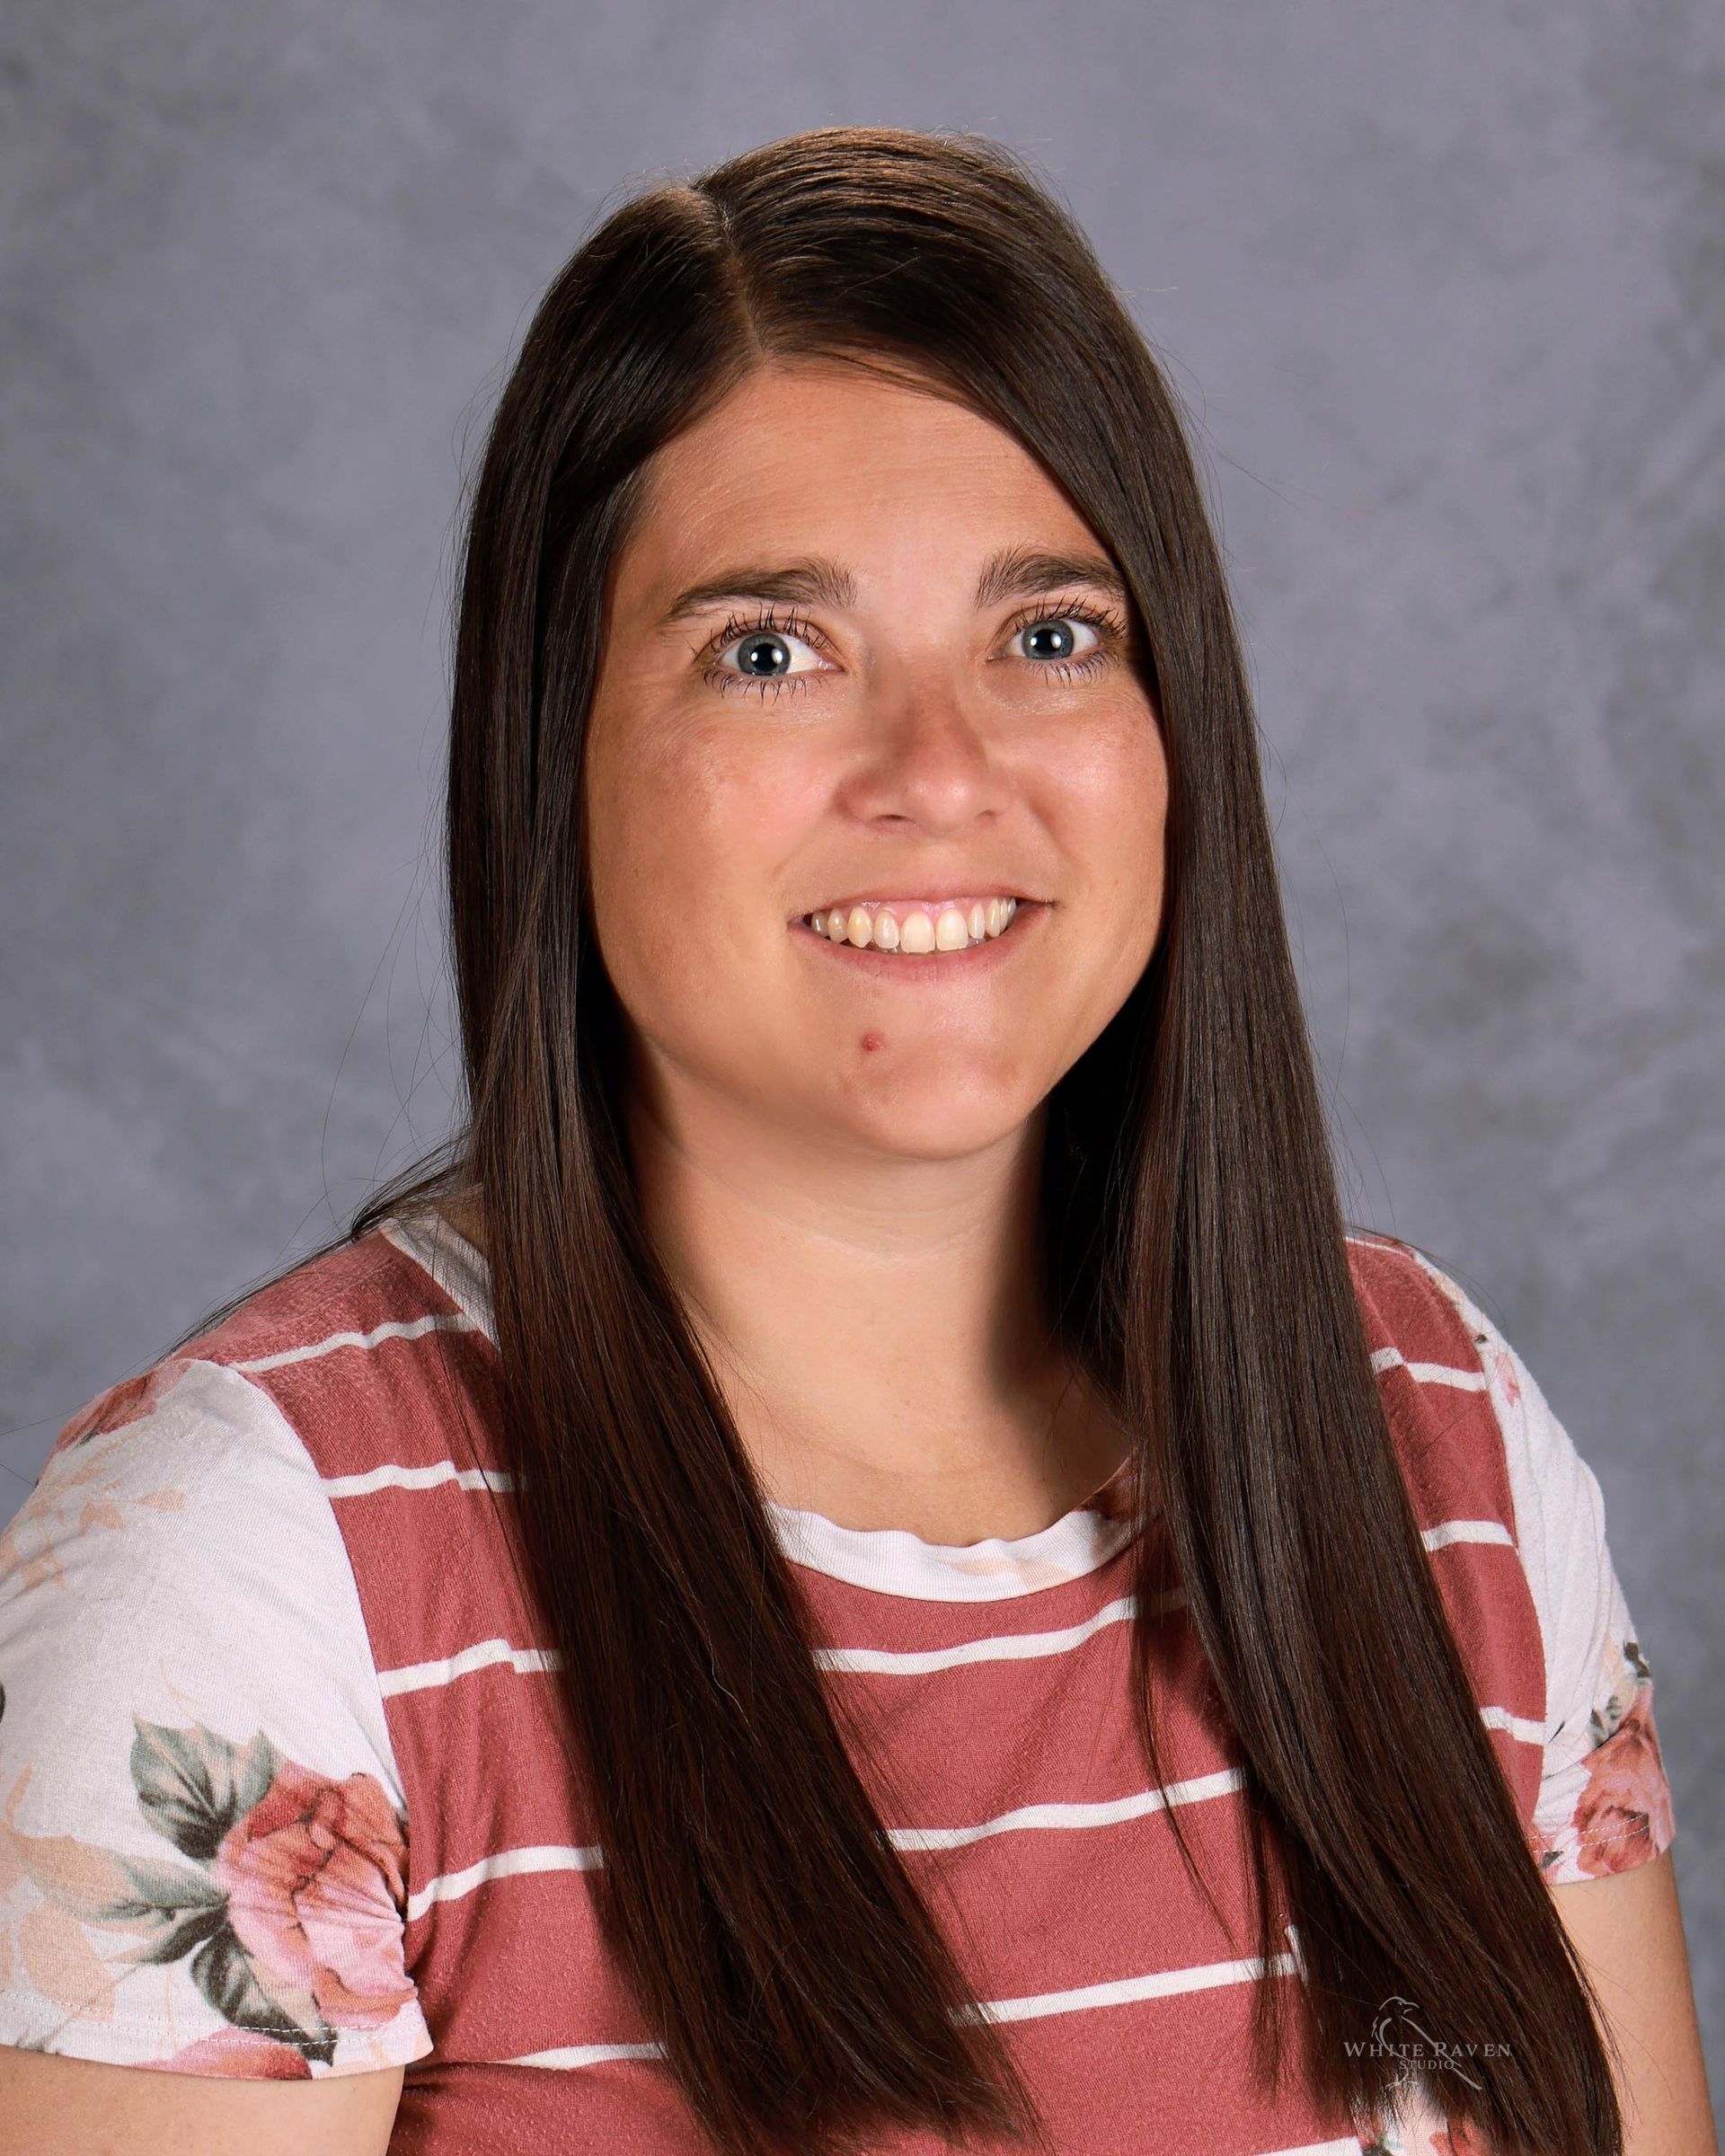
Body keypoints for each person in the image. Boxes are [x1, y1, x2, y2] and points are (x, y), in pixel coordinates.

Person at [0, 124, 1712, 2156]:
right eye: (770, 650)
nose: (941, 769)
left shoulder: (1433, 1434)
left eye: (1050, 635)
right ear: (552, 753)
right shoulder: (253, 1568)